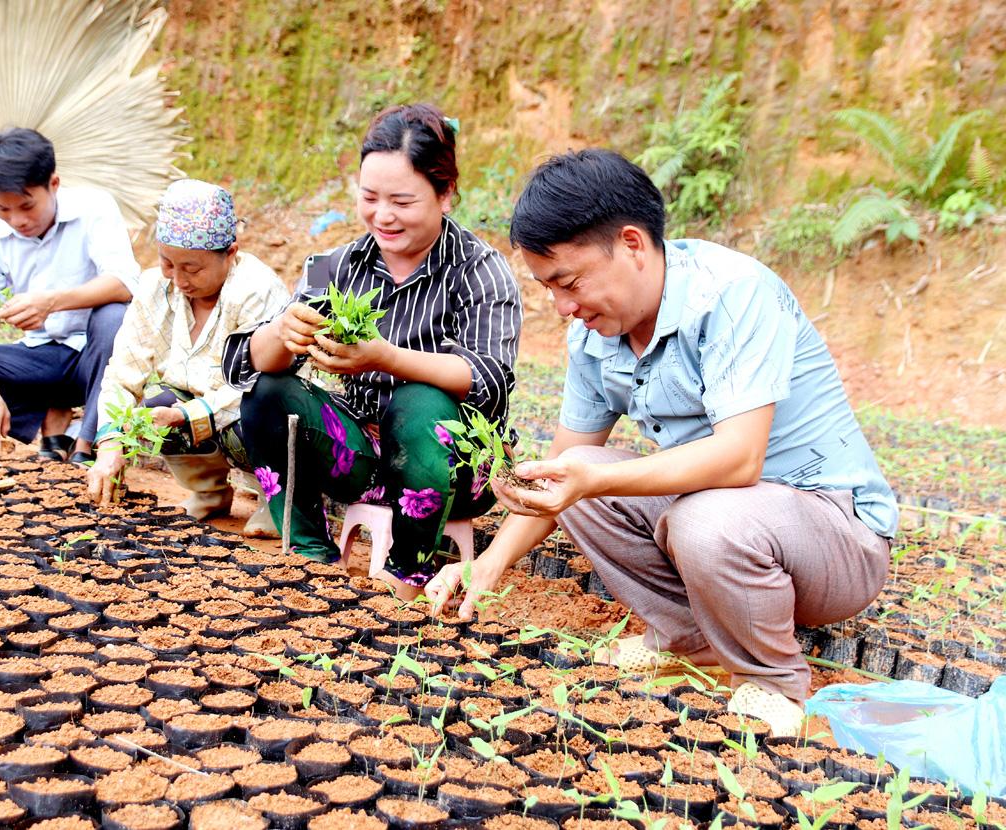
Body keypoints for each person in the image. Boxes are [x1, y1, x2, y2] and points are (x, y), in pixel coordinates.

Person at [425, 149, 898, 736]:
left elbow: (739, 458)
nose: (563, 307)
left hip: (833, 538)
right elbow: (560, 476)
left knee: (697, 517)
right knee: (580, 468)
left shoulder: (732, 293)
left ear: (631, 244)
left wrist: (594, 479)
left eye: (569, 282)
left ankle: (772, 681)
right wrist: (488, 565)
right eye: (548, 289)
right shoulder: (595, 339)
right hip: (727, 520)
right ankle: (688, 639)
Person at [222, 103, 523, 598]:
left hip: (458, 468)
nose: (383, 216)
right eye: (369, 198)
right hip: (361, 457)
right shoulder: (333, 265)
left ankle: (408, 572)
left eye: (402, 202)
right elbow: (247, 364)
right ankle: (309, 555)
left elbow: (489, 380)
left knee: (419, 401)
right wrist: (282, 332)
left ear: (445, 193)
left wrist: (386, 358)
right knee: (269, 391)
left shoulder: (479, 270)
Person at [0, 127, 140, 464]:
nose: (17, 220)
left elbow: (125, 283)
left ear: (53, 184)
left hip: (95, 358)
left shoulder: (94, 208)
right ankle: (51, 417)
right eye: (3, 209)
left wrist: (51, 302)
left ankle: (89, 440)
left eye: (27, 206)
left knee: (114, 316)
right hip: (43, 358)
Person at [86, 180, 288, 535]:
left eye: (192, 268)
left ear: (230, 253)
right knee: (154, 403)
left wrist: (184, 415)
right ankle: (209, 492)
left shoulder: (256, 289)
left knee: (261, 408)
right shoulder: (154, 289)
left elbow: (256, 382)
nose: (179, 279)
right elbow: (123, 373)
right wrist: (109, 442)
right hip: (193, 408)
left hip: (253, 404)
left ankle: (275, 499)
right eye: (168, 263)